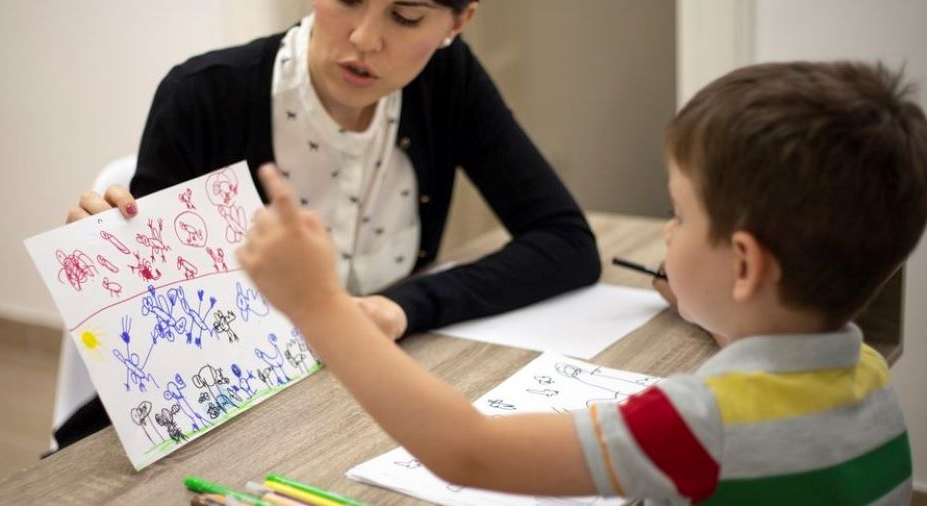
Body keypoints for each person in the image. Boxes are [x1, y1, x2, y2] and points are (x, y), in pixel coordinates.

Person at [239, 60, 926, 504]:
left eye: (677, 214)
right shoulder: (867, 375)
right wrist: (719, 306)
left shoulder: (697, 423)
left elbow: (468, 452)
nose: (666, 233)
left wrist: (319, 305)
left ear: (744, 267)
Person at [58, 0, 600, 447]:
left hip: (356, 410)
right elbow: (158, 353)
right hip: (226, 420)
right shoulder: (205, 94)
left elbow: (566, 241)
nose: (365, 38)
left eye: (406, 16)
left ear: (456, 24)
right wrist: (113, 262)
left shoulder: (446, 81)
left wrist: (401, 308)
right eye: (347, 0)